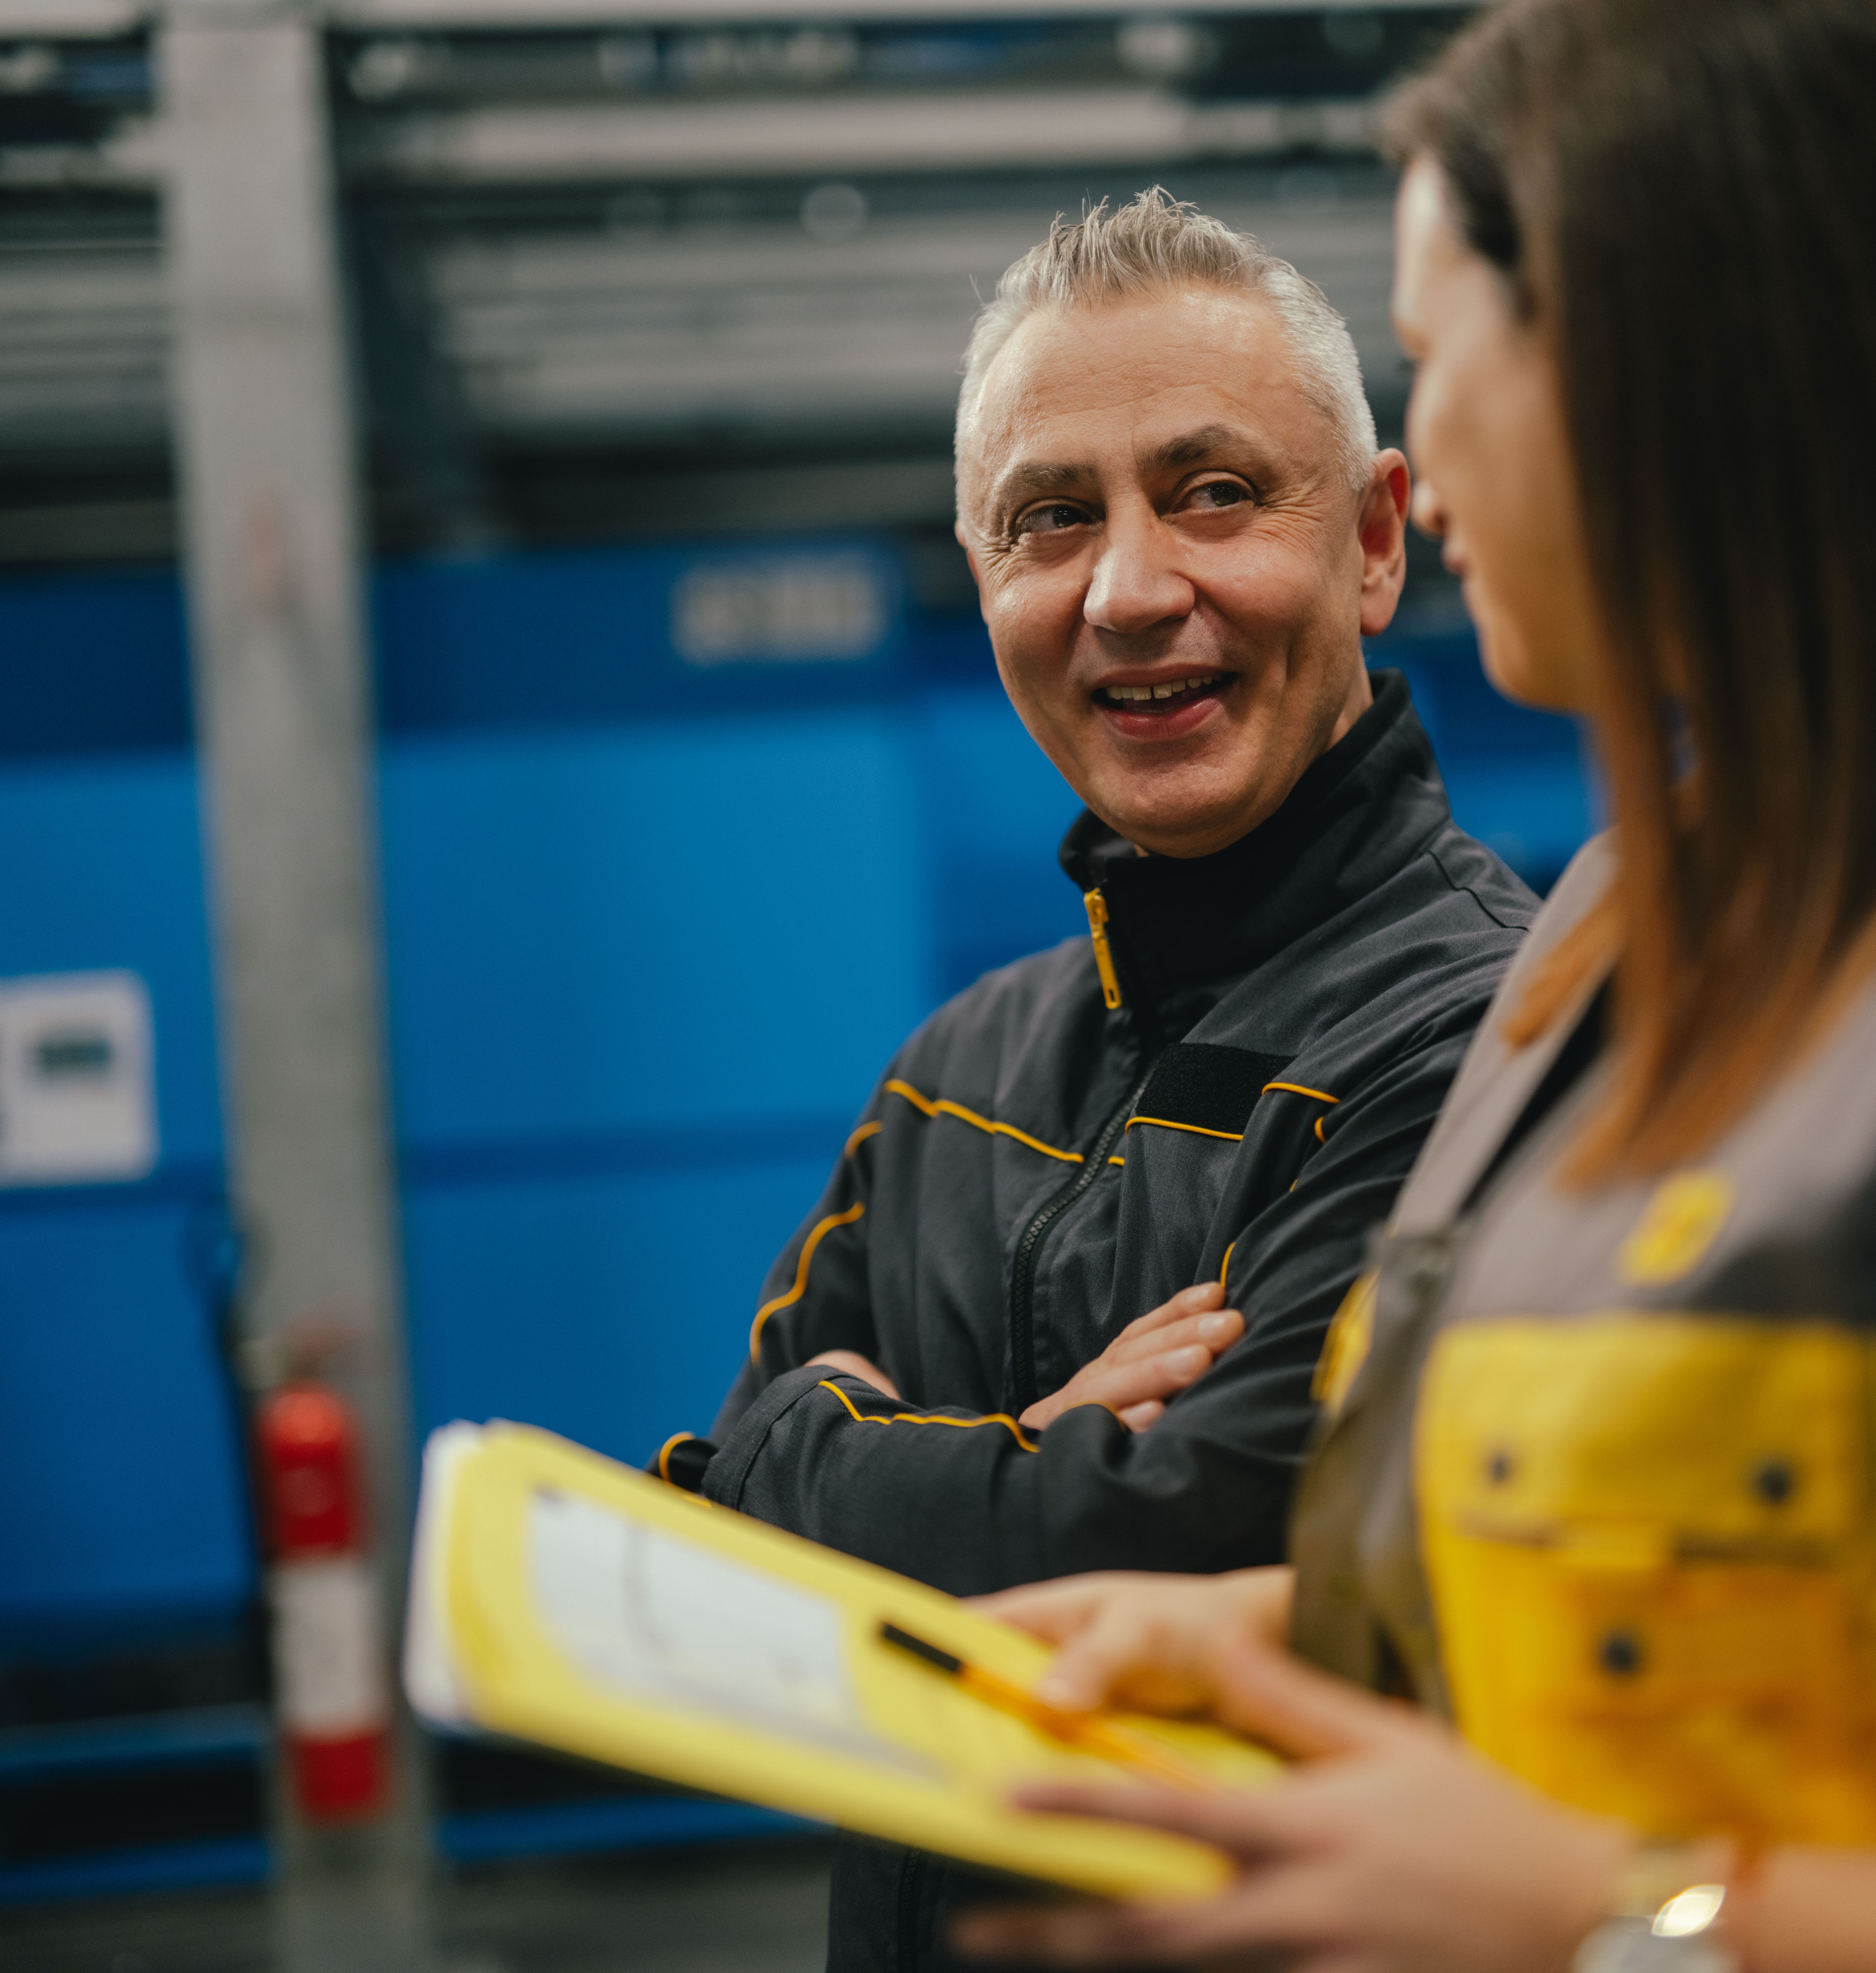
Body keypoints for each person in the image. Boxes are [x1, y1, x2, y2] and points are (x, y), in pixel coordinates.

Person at [942, 4, 1876, 1972]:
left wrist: (1615, 1916)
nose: (1421, 468)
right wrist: (1267, 1627)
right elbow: (1735, 1584)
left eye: (1442, 354)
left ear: (1664, 350)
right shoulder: (1635, 909)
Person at [649, 191, 1538, 1969]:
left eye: (1213, 492)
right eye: (1051, 518)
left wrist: (820, 1450)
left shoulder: (1477, 1044)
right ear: (987, 580)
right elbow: (692, 1568)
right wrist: (1029, 1463)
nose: (1129, 592)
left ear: (1374, 545)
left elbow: (1206, 1543)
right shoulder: (958, 1071)